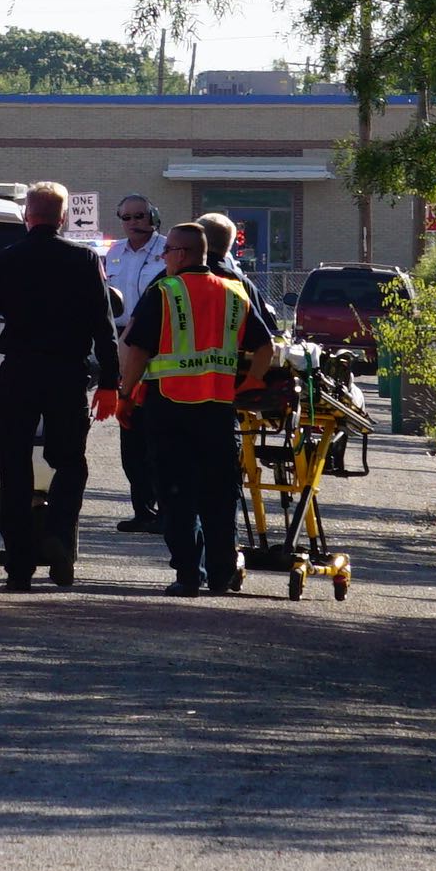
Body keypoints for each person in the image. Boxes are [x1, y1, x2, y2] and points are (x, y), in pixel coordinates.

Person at [0, 182, 126, 590]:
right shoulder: (84, 260)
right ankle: (59, 538)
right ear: (63, 217)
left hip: (19, 373)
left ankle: (19, 566)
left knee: (14, 468)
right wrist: (110, 383)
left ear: (27, 215)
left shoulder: (4, 260)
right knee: (69, 462)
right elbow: (104, 327)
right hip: (67, 374)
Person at [117, 220, 278, 595]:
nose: (163, 256)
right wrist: (252, 381)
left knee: (176, 494)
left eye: (168, 250)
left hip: (169, 407)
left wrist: (125, 396)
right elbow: (266, 347)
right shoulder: (235, 292)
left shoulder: (165, 291)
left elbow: (138, 349)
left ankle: (189, 574)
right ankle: (220, 574)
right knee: (219, 495)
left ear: (183, 253)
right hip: (218, 410)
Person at [100, 196, 174, 532]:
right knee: (130, 436)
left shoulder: (168, 250)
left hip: (158, 345)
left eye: (140, 215)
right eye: (126, 216)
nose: (133, 222)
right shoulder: (113, 252)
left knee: (157, 435)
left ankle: (167, 509)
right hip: (121, 342)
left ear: (154, 216)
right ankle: (143, 510)